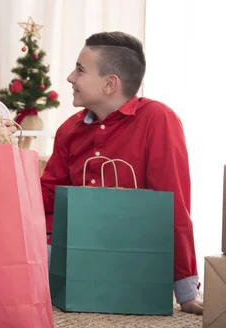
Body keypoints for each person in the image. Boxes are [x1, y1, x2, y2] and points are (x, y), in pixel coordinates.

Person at [41, 31, 203, 315]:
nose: (70, 78)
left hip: (131, 260)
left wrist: (185, 289)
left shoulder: (157, 119)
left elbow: (174, 205)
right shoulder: (69, 129)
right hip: (72, 257)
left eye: (80, 70)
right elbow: (47, 195)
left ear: (110, 84)